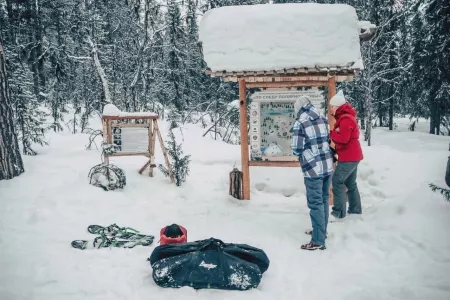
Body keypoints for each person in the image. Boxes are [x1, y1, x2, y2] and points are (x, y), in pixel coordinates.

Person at [291, 96, 334, 251]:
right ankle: (321, 232)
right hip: (327, 166)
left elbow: (296, 148)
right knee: (323, 201)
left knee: (315, 203)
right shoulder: (323, 118)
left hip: (312, 168)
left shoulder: (300, 123)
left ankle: (317, 240)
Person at [329, 91, 364, 220]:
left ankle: (338, 212)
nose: (331, 109)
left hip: (349, 157)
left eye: (332, 106)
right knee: (351, 183)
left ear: (337, 106)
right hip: (352, 156)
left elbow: (344, 138)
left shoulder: (345, 119)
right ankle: (355, 210)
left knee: (337, 181)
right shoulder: (346, 117)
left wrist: (331, 133)